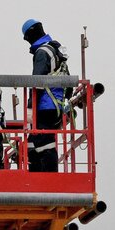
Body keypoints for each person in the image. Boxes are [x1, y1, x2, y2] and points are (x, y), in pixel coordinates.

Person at [21, 19, 67, 172]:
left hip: (45, 106)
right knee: (36, 141)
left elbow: (37, 83)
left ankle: (46, 176)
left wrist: (29, 106)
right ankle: (39, 173)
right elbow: (68, 83)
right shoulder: (55, 50)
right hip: (56, 106)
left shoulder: (42, 52)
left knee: (43, 143)